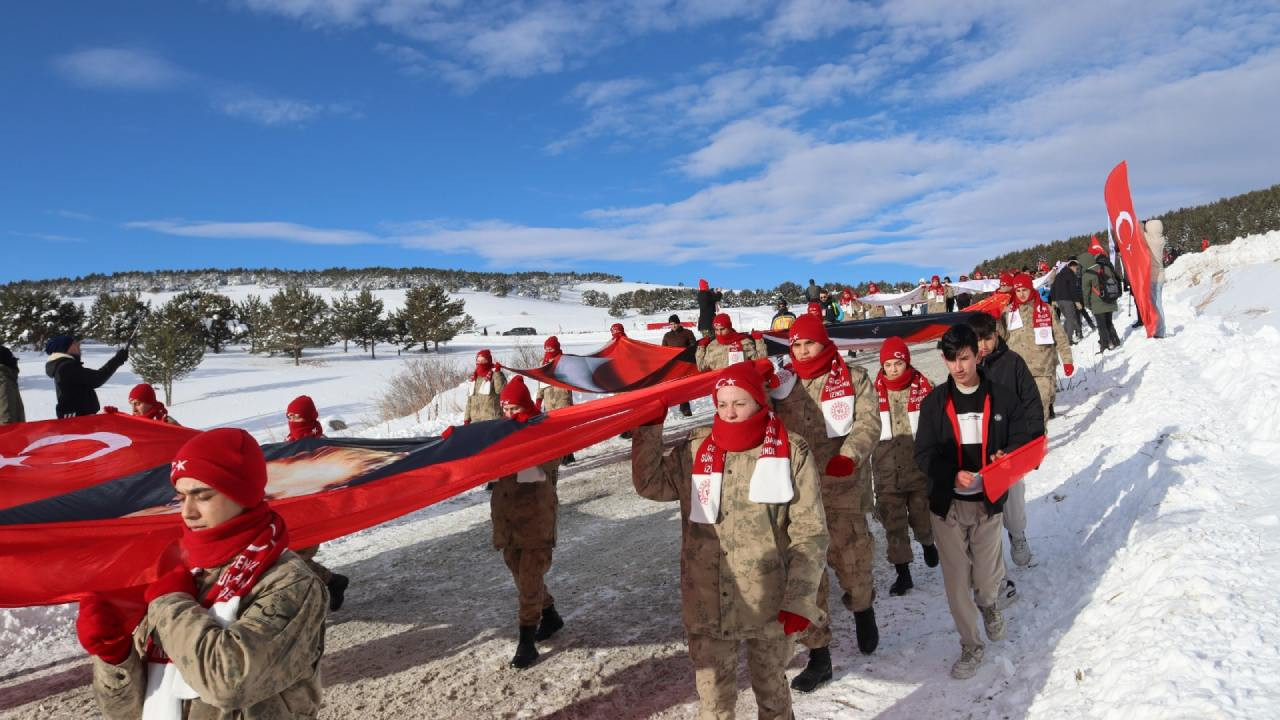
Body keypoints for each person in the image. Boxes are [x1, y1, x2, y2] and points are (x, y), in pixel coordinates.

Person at [80, 427, 327, 719]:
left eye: (203, 496)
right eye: (181, 497)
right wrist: (115, 657)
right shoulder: (180, 572)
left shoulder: (290, 582)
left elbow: (229, 684)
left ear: (243, 494)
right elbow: (127, 713)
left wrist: (170, 602)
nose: (187, 512)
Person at [631, 360, 828, 719]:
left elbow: (810, 533)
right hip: (707, 602)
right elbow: (650, 484)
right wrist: (648, 426)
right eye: (722, 404)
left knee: (772, 696)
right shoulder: (694, 450)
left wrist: (800, 599)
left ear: (759, 401)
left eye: (740, 402)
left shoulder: (791, 452)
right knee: (715, 704)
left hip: (767, 602)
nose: (730, 412)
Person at [913, 325, 1039, 679]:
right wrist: (951, 474)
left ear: (977, 355)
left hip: (987, 504)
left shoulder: (1001, 398)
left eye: (964, 358)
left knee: (985, 578)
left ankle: (990, 604)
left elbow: (1022, 435)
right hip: (948, 506)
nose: (958, 366)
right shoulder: (934, 404)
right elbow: (923, 453)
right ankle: (971, 645)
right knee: (956, 583)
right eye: (950, 359)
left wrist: (1006, 455)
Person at [770, 314, 882, 691]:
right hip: (799, 495)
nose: (802, 351)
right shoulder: (783, 383)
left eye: (809, 343)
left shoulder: (853, 378)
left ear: (824, 343)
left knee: (852, 560)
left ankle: (863, 609)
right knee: (805, 574)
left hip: (843, 486)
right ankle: (820, 657)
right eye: (796, 344)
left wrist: (850, 455)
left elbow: (868, 423)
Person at [491, 376, 565, 669]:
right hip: (507, 518)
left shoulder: (544, 432)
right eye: (504, 408)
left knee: (529, 578)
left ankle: (526, 641)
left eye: (513, 408)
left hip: (536, 519)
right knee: (521, 576)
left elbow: (546, 466)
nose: (508, 414)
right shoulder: (500, 434)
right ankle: (550, 614)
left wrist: (521, 439)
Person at [966, 312, 1045, 568]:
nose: (983, 346)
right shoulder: (966, 367)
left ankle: (1017, 534)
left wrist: (1033, 442)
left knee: (1013, 494)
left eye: (987, 339)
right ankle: (989, 555)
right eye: (977, 341)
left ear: (996, 334)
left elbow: (1031, 402)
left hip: (1009, 444)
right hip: (977, 445)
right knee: (980, 503)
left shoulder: (1013, 363)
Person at [870, 337, 938, 596]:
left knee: (922, 520)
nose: (893, 369)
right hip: (887, 473)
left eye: (898, 363)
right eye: (888, 364)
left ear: (906, 362)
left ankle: (929, 543)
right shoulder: (872, 393)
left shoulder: (924, 387)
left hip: (918, 471)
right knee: (894, 526)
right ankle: (903, 574)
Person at [285, 395, 351, 611]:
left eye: (297, 416)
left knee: (292, 561)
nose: (293, 420)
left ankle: (307, 606)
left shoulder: (322, 447)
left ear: (309, 417)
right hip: (291, 515)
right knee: (287, 560)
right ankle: (332, 582)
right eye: (289, 416)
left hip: (313, 515)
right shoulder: (287, 445)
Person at [1000, 273, 1073, 425]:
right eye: (1018, 291)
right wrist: (996, 317)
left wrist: (1067, 360)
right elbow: (1002, 336)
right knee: (1021, 411)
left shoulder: (1046, 309)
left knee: (1041, 408)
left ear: (1031, 289)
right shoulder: (1009, 312)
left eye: (1024, 290)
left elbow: (1060, 337)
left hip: (1043, 368)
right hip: (1018, 370)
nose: (1021, 294)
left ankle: (1040, 442)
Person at [44, 335, 128, 418]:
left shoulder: (64, 365)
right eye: (74, 343)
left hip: (80, 417)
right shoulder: (66, 367)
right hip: (76, 419)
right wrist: (118, 359)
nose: (78, 345)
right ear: (65, 348)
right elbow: (97, 378)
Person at [535, 336, 577, 461]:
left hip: (562, 398)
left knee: (564, 428)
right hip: (549, 400)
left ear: (557, 348)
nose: (548, 350)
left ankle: (568, 454)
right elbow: (540, 382)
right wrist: (538, 399)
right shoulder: (542, 362)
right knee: (552, 429)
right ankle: (557, 454)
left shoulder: (565, 361)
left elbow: (572, 378)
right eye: (546, 348)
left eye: (551, 348)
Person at [1081, 251, 1123, 354]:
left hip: (1097, 304)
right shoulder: (1106, 267)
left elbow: (1085, 293)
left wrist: (1088, 305)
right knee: (1109, 323)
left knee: (1101, 325)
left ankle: (1105, 345)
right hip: (1110, 300)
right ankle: (1115, 341)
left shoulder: (1087, 274)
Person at [695, 313, 766, 371]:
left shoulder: (744, 342)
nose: (719, 333)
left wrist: (758, 340)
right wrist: (701, 347)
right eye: (716, 330)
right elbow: (701, 367)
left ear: (729, 327)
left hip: (739, 383)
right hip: (720, 384)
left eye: (722, 329)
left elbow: (760, 361)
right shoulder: (712, 346)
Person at [661, 316, 698, 417]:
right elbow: (663, 350)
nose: (673, 326)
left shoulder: (687, 333)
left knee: (684, 386)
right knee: (675, 387)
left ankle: (685, 408)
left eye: (675, 323)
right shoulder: (667, 336)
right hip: (673, 365)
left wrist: (684, 352)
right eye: (671, 324)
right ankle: (675, 408)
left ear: (679, 323)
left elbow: (694, 346)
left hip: (686, 363)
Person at [464, 349, 506, 424]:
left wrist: (497, 373)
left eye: (483, 361)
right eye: (478, 361)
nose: (480, 363)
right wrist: (466, 419)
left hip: (492, 419)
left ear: (489, 361)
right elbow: (469, 400)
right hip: (475, 420)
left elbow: (501, 391)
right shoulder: (474, 378)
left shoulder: (494, 374)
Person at [1143, 219, 1169, 337]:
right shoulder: (1160, 239)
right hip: (1159, 276)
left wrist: (1139, 224)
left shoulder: (1152, 240)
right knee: (1157, 304)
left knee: (1157, 305)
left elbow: (1138, 230)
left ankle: (1160, 331)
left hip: (1154, 278)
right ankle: (1159, 330)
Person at [1050, 261, 1084, 343]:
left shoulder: (1058, 275)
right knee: (1070, 319)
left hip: (1059, 301)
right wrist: (1077, 301)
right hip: (1067, 300)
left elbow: (1053, 287)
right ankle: (1068, 339)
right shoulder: (1071, 275)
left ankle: (1069, 335)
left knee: (1069, 318)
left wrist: (1054, 300)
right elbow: (1073, 289)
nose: (1077, 270)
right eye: (1076, 268)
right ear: (1072, 266)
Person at [0, 344, 25, 424]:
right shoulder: (5, 380)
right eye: (12, 358)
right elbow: (6, 417)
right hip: (11, 433)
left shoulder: (8, 378)